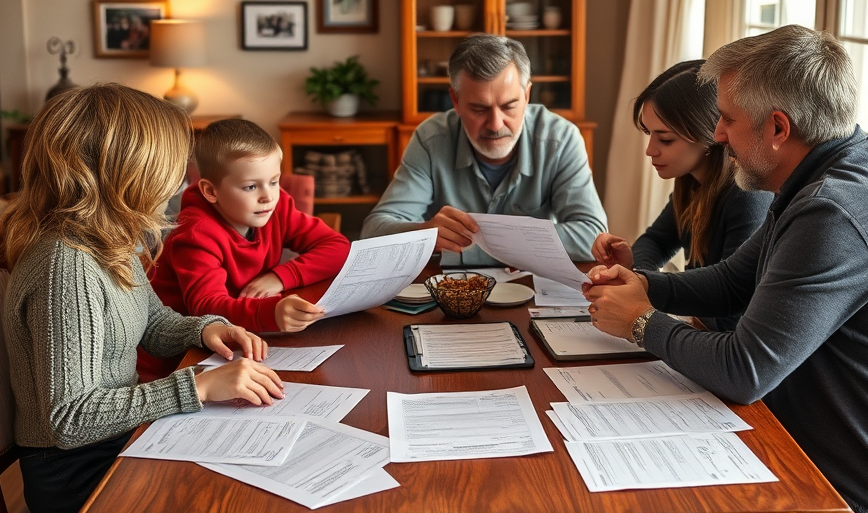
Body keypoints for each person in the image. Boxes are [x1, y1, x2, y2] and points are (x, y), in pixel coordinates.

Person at [583, 25, 868, 513]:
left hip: (847, 505)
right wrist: (642, 284)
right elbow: (734, 281)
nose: (719, 135)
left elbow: (744, 371)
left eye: (728, 119)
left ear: (778, 127)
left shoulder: (834, 210)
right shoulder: (822, 175)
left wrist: (641, 322)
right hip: (793, 449)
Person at [1, 84, 284, 513]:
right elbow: (69, 420)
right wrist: (199, 387)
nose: (181, 183)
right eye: (172, 170)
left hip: (118, 437)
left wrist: (205, 329)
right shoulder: (67, 267)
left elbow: (151, 321)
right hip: (77, 472)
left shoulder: (109, 239)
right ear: (128, 173)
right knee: (245, 499)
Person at [362, 33, 608, 266]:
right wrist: (422, 233)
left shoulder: (560, 138)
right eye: (479, 109)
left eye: (509, 106)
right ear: (455, 101)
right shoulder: (431, 139)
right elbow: (372, 233)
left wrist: (463, 249)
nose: (495, 124)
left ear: (527, 95)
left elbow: (593, 237)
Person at [139, 119, 351, 380]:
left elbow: (337, 247)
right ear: (210, 191)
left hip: (237, 340)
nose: (268, 196)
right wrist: (272, 312)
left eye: (274, 181)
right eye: (251, 186)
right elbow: (206, 307)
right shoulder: (196, 233)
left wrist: (282, 276)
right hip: (178, 362)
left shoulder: (275, 205)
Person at [590, 59, 771, 330]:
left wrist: (640, 286)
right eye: (650, 134)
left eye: (665, 139)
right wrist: (635, 274)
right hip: (700, 329)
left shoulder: (748, 196)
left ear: (710, 134)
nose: (650, 150)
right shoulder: (691, 182)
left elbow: (730, 300)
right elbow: (656, 241)